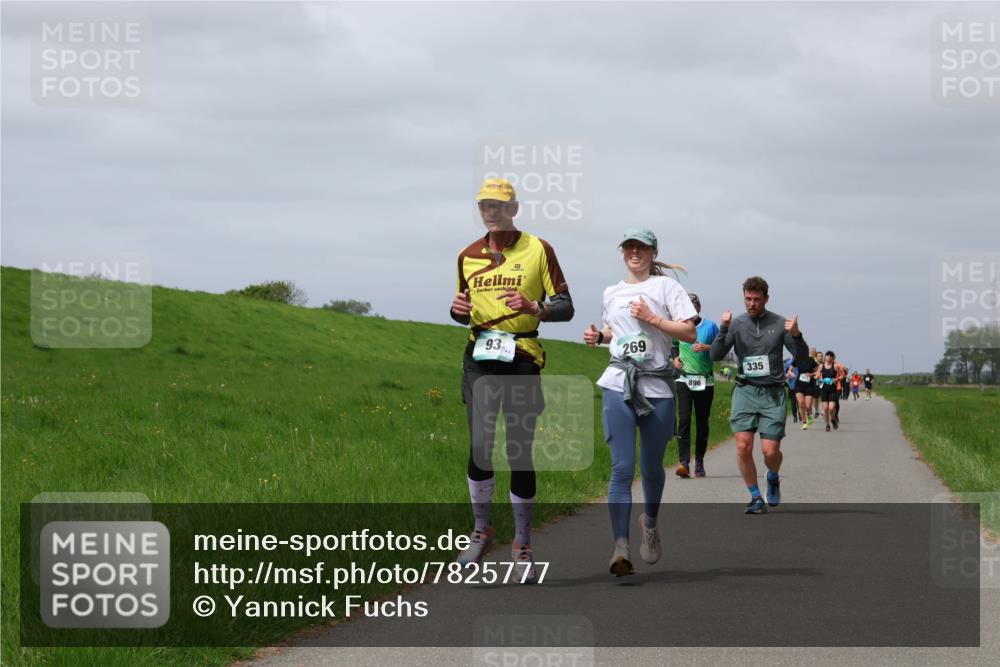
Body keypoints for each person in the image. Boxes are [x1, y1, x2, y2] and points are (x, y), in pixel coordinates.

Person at [450, 177, 574, 583]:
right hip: (480, 357)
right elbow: (462, 309)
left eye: (499, 205)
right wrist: (455, 309)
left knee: (519, 450)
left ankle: (522, 546)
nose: (491, 211)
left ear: (514, 208)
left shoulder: (539, 249)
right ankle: (482, 531)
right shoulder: (467, 255)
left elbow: (566, 306)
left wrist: (536, 306)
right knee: (481, 446)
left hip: (522, 355)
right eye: (485, 204)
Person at [584, 228, 696, 576]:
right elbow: (616, 331)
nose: (635, 252)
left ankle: (649, 523)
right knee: (621, 468)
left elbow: (689, 332)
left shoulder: (667, 288)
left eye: (642, 247)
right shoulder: (611, 292)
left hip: (657, 388)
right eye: (629, 247)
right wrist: (598, 336)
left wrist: (653, 319)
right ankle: (620, 547)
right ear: (623, 252)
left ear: (653, 251)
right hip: (619, 382)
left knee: (650, 468)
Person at [710, 276, 809, 514]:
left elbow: (803, 360)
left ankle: (772, 476)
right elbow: (715, 354)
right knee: (743, 446)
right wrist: (723, 329)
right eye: (747, 299)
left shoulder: (779, 323)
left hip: (773, 394)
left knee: (770, 451)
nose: (751, 303)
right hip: (745, 389)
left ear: (766, 298)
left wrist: (796, 334)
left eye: (756, 299)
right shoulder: (736, 324)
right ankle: (755, 497)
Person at [671, 293, 720, 478]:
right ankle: (684, 462)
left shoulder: (711, 326)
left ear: (699, 308)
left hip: (705, 381)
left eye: (693, 307)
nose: (690, 311)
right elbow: (673, 345)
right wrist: (674, 358)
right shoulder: (679, 325)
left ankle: (699, 461)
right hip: (684, 379)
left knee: (702, 422)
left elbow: (720, 349)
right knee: (683, 421)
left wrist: (707, 348)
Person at [794, 346, 818, 429]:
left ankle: (809, 415)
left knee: (807, 406)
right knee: (801, 404)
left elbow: (818, 371)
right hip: (799, 384)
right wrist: (790, 373)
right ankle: (804, 422)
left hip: (809, 385)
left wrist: (811, 374)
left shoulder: (811, 360)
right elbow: (790, 369)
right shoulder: (797, 359)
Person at [818, 351, 840, 431]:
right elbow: (817, 374)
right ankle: (827, 425)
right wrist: (819, 378)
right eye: (827, 355)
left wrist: (836, 379)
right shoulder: (821, 366)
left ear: (833, 357)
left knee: (831, 408)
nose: (829, 357)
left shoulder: (836, 366)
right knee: (825, 408)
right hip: (823, 389)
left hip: (832, 389)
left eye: (831, 356)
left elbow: (842, 376)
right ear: (825, 357)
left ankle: (833, 419)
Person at [784, 358, 798, 424]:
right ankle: (795, 416)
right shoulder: (787, 363)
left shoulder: (802, 362)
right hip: (792, 386)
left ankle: (801, 415)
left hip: (800, 386)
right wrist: (788, 375)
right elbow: (784, 374)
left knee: (800, 402)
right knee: (793, 402)